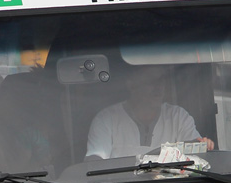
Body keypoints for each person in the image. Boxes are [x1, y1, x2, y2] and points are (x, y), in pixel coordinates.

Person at [86, 66, 214, 160]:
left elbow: (195, 156)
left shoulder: (178, 117)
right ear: (131, 85)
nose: (158, 87)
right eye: (151, 81)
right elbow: (94, 164)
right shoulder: (106, 119)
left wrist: (203, 146)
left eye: (161, 81)